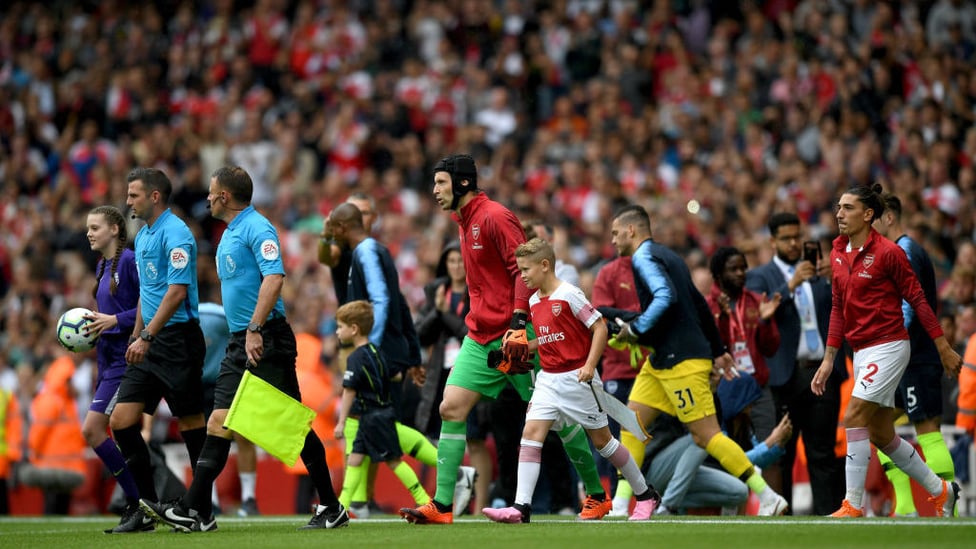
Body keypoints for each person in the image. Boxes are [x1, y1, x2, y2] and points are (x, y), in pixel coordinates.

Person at [401, 154, 611, 525]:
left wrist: (518, 320)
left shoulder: (495, 216)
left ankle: (596, 495)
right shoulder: (464, 222)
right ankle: (443, 505)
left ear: (462, 183)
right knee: (450, 407)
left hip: (517, 334)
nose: (434, 191)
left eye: (440, 183)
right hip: (480, 334)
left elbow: (521, 268)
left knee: (558, 419)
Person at [141, 166, 347, 531]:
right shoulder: (230, 233)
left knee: (289, 424)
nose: (206, 197)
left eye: (211, 191)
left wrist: (254, 329)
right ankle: (197, 511)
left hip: (265, 337)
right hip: (242, 340)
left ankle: (331, 506)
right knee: (220, 420)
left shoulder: (258, 227)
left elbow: (275, 277)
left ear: (224, 196)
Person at [609, 204, 789, 516]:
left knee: (706, 435)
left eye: (615, 233)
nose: (612, 240)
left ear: (631, 231)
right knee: (631, 424)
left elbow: (665, 296)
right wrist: (719, 347)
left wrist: (635, 328)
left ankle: (768, 497)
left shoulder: (643, 257)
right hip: (662, 360)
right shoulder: (673, 257)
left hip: (681, 361)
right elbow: (699, 305)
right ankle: (620, 505)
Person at [810, 183, 962, 518]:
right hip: (861, 350)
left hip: (890, 345)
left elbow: (919, 300)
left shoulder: (890, 253)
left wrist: (943, 346)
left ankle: (853, 503)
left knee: (853, 417)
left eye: (848, 208)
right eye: (838, 207)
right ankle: (942, 491)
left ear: (868, 215)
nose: (839, 214)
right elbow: (838, 308)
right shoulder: (836, 254)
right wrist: (829, 358)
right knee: (880, 432)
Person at [483, 238, 660, 523]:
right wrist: (523, 348)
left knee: (604, 443)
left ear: (545, 265)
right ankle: (521, 507)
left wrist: (590, 365)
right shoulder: (532, 300)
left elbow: (600, 327)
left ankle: (644, 494)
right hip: (548, 380)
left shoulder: (570, 294)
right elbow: (551, 337)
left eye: (526, 269)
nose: (523, 276)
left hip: (578, 378)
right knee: (531, 434)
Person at [110, 167, 208, 531]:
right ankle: (146, 505)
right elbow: (146, 295)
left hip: (177, 339)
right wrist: (137, 335)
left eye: (133, 194)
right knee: (121, 422)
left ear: (154, 196)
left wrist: (147, 336)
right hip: (149, 339)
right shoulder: (144, 235)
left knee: (192, 422)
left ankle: (202, 509)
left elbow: (176, 292)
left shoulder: (177, 233)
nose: (127, 201)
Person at [745, 211, 847, 515]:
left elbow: (841, 311)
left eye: (797, 237)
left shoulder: (820, 274)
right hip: (782, 379)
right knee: (781, 454)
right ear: (772, 241)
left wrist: (836, 279)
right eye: (786, 238)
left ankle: (831, 519)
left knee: (823, 453)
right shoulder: (761, 276)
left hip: (821, 372)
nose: (793, 243)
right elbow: (757, 314)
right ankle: (782, 520)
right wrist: (790, 286)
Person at [872, 192, 957, 517]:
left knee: (927, 428)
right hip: (899, 359)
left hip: (914, 358)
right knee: (875, 425)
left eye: (874, 217)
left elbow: (908, 307)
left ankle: (949, 508)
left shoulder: (906, 251)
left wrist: (890, 346)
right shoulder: (894, 252)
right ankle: (904, 507)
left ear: (890, 217)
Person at [414, 242, 490, 514]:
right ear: (445, 264)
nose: (457, 266)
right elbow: (420, 334)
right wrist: (437, 311)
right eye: (452, 261)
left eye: (461, 260)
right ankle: (448, 489)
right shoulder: (436, 291)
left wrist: (445, 314)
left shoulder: (479, 292)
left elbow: (473, 333)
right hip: (441, 373)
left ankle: (479, 505)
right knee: (435, 434)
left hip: (474, 371)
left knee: (476, 439)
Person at [81, 205, 144, 532]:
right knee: (122, 431)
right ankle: (142, 502)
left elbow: (151, 303)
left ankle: (138, 503)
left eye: (95, 227)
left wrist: (114, 321)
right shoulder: (103, 265)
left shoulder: (131, 261)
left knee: (93, 430)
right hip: (105, 361)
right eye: (88, 228)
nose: (89, 233)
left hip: (125, 360)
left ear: (115, 230)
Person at [334, 300, 430, 510]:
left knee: (394, 461)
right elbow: (394, 375)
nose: (337, 332)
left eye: (340, 326)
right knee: (354, 461)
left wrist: (341, 422)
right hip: (375, 416)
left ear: (354, 329)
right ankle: (340, 508)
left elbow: (349, 390)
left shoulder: (355, 358)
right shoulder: (376, 352)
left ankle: (424, 500)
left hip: (374, 418)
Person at [705, 247, 781, 461]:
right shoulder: (706, 306)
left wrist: (766, 322)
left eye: (743, 268)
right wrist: (721, 320)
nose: (740, 273)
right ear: (718, 274)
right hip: (723, 391)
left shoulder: (757, 301)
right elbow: (711, 350)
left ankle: (770, 496)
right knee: (728, 456)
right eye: (733, 269)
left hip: (757, 388)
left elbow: (771, 348)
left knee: (770, 450)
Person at [591, 254, 644, 516]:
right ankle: (618, 500)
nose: (613, 239)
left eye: (617, 233)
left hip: (653, 368)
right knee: (611, 439)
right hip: (617, 369)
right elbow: (598, 313)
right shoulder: (609, 273)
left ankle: (650, 499)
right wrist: (636, 323)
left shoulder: (653, 268)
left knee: (648, 437)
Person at [199, 302, 260, 517]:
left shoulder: (217, 317)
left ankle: (248, 499)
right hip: (203, 383)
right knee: (208, 440)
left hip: (229, 379)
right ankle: (212, 499)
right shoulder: (193, 319)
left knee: (240, 435)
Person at [0, 383, 22, 515]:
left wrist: (13, 454)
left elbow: (14, 427)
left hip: (2, 456)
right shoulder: (5, 396)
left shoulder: (6, 396)